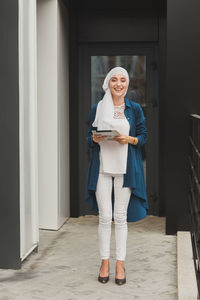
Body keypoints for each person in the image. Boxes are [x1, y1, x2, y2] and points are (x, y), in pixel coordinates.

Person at [85, 67, 149, 285]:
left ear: (127, 84)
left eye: (123, 80)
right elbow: (88, 137)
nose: (118, 84)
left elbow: (143, 136)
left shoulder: (135, 108)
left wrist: (129, 139)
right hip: (102, 167)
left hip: (126, 168)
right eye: (114, 80)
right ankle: (105, 262)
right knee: (104, 217)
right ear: (107, 83)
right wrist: (95, 139)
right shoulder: (98, 108)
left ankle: (120, 264)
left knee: (120, 217)